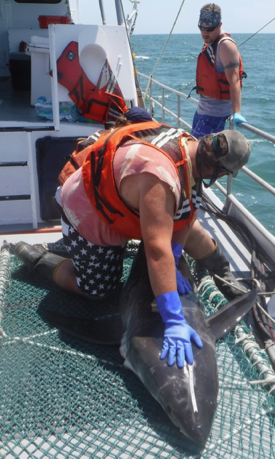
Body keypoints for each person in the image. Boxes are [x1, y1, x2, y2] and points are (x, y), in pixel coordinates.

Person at [8, 111, 251, 369]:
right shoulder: (161, 174)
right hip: (87, 213)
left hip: (126, 205)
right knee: (97, 290)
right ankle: (40, 260)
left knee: (195, 234)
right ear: (220, 172)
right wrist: (173, 319)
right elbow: (157, 252)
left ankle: (225, 275)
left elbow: (187, 211)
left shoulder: (190, 146)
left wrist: (176, 252)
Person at [191, 3, 247, 138]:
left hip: (215, 116)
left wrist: (236, 112)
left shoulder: (226, 45)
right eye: (201, 28)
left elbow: (234, 81)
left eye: (209, 29)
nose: (204, 32)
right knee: (193, 151)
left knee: (203, 157)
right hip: (202, 111)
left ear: (219, 25)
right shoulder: (210, 42)